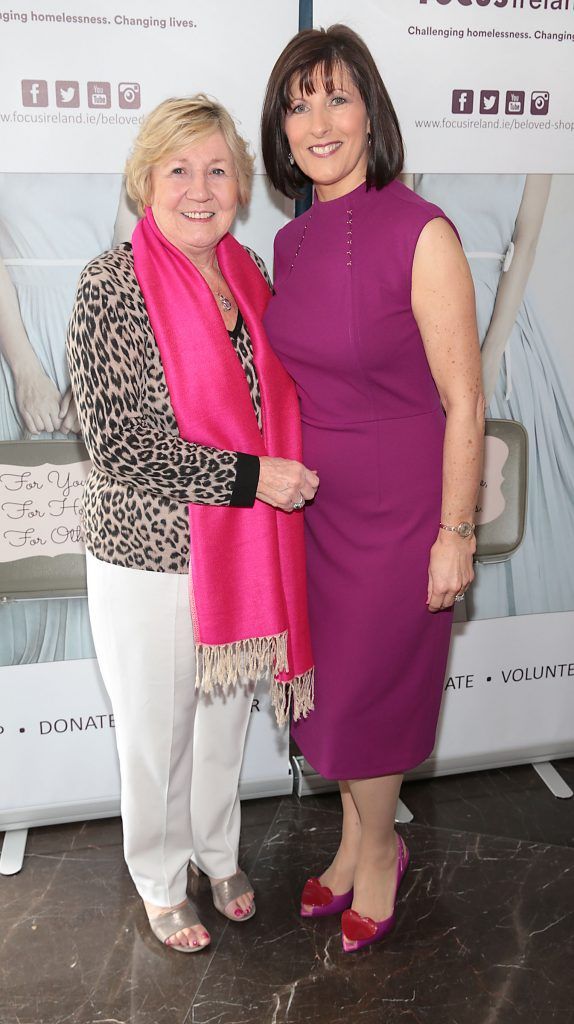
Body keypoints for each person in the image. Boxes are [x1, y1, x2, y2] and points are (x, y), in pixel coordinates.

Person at [66, 95, 319, 953]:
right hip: (150, 558)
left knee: (225, 727)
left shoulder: (250, 275)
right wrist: (254, 479)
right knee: (157, 736)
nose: (199, 188)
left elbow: (280, 399)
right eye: (179, 169)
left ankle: (218, 851)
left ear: (242, 185)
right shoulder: (110, 284)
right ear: (146, 182)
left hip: (241, 552)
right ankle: (161, 877)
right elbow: (119, 445)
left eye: (218, 169)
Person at [261, 26, 484, 952]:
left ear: (371, 112)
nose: (318, 121)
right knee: (329, 697)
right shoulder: (291, 238)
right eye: (298, 101)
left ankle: (380, 854)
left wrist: (455, 530)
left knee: (369, 699)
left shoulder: (422, 231)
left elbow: (466, 398)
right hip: (318, 505)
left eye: (337, 97)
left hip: (402, 508)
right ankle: (356, 839)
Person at [410, 174, 574, 620]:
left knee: (511, 474)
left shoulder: (534, 148)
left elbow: (526, 247)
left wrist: (492, 352)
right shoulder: (429, 141)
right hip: (425, 312)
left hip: (501, 324)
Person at [0, 173, 136, 666]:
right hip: (16, 324)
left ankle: (85, 683)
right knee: (21, 519)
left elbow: (128, 254)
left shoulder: (116, 136)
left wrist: (94, 374)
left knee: (97, 515)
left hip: (101, 328)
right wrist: (23, 367)